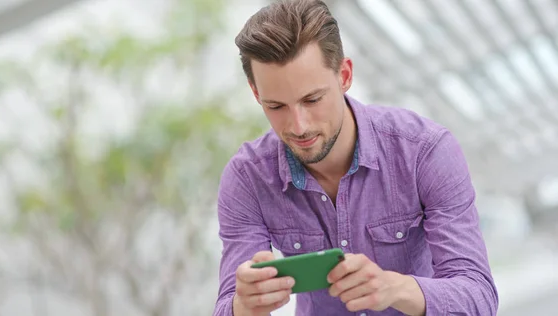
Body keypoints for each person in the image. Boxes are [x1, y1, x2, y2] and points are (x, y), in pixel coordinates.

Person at [213, 0, 499, 315]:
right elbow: (227, 306)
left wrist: (395, 288)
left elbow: (479, 298)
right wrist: (244, 306)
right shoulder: (247, 179)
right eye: (276, 106)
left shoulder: (425, 151)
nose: (298, 125)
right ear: (256, 94)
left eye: (312, 99)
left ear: (345, 75)